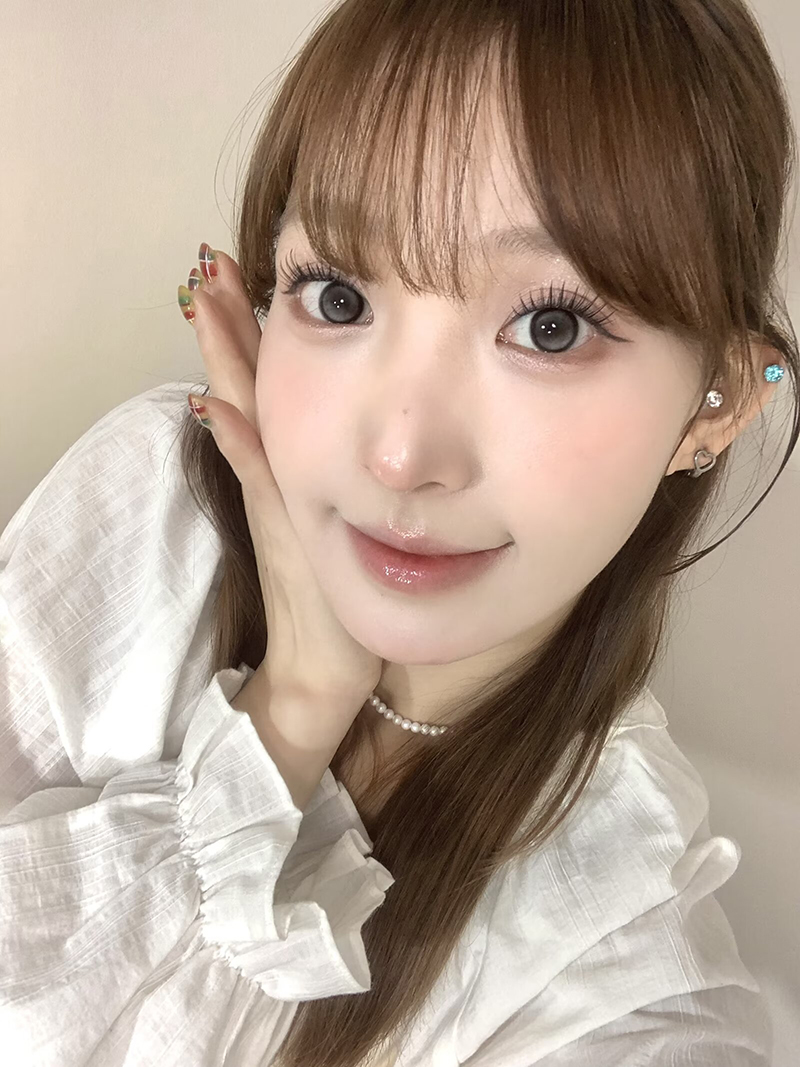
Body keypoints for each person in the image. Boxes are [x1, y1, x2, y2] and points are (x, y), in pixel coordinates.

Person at [1, 0, 795, 1064]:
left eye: (550, 326)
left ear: (716, 402)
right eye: (336, 295)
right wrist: (291, 708)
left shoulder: (621, 977)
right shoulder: (152, 512)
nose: (401, 456)